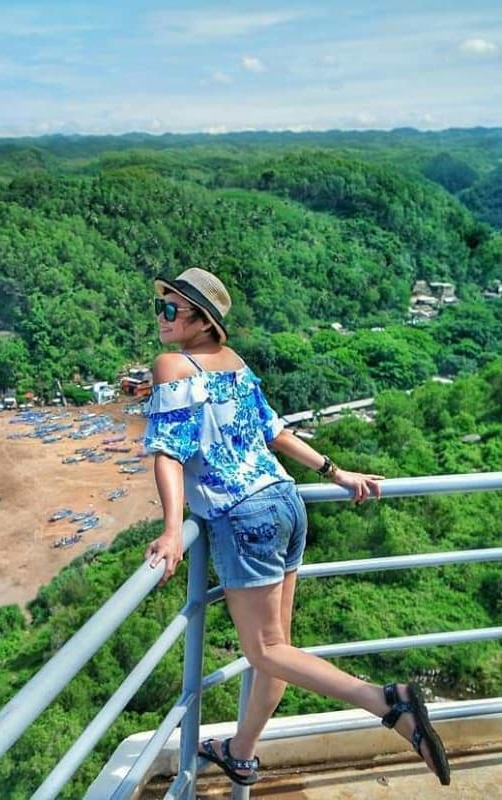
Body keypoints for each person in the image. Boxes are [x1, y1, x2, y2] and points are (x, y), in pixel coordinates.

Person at [141, 267, 450, 787]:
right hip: (285, 502)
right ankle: (241, 752)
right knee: (276, 650)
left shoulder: (171, 365)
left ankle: (387, 702)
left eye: (171, 309)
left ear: (202, 321)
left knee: (264, 650)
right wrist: (335, 472)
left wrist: (174, 530)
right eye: (161, 307)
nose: (161, 318)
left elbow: (169, 452)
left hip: (244, 516)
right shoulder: (234, 364)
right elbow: (275, 433)